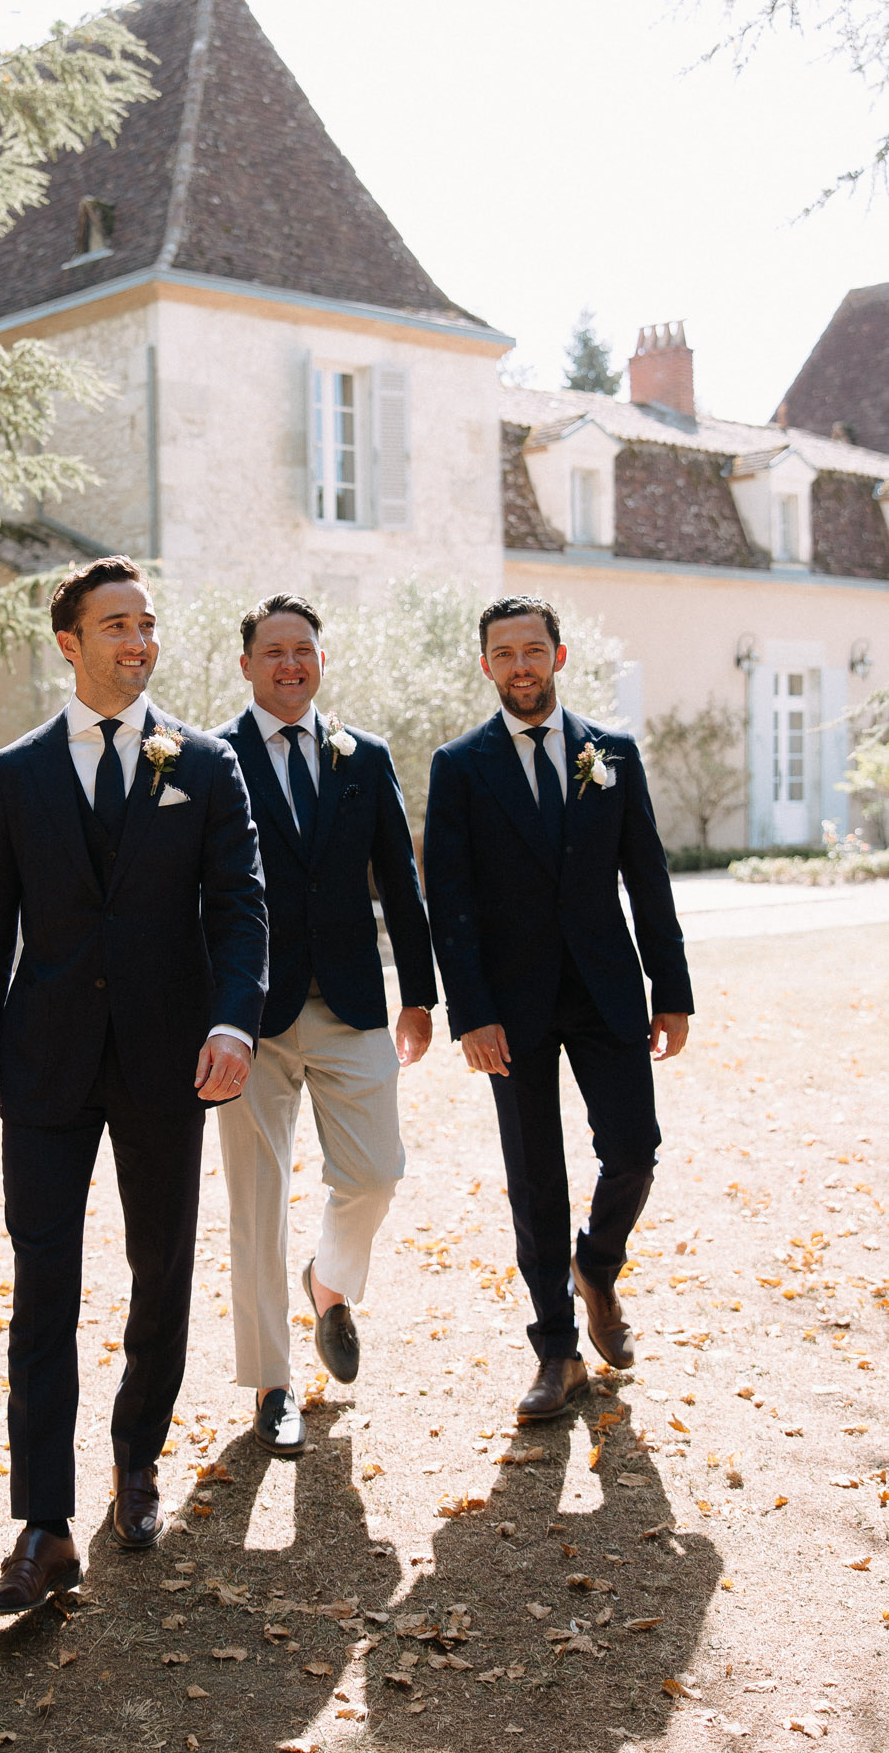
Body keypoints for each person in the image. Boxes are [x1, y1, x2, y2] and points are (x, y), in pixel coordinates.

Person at [0, 556, 268, 1615]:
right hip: (42, 1064)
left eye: (147, 623)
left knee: (159, 1265)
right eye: (116, 624)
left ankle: (138, 1458)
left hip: (166, 1059)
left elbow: (239, 906)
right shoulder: (13, 774)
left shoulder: (211, 762)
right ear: (69, 643)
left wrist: (233, 1017)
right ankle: (42, 1524)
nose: (138, 641)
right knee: (43, 1284)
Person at [423, 595, 692, 1420]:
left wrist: (670, 990)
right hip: (509, 1007)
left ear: (559, 657)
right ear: (486, 667)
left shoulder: (611, 753)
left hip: (606, 991)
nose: (519, 666)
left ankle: (597, 1267)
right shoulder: (459, 765)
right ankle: (555, 1355)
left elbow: (645, 876)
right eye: (503, 654)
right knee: (534, 1181)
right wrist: (470, 1013)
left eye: (531, 650)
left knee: (634, 1152)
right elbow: (450, 899)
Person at [214, 593, 437, 1457]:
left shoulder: (362, 756)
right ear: (246, 665)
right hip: (250, 1019)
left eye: (302, 649)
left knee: (376, 1172)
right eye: (272, 651)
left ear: (318, 659)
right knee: (255, 1204)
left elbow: (399, 879)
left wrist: (417, 993)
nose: (289, 663)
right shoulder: (211, 759)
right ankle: (271, 1383)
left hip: (350, 1003)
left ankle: (329, 1283)